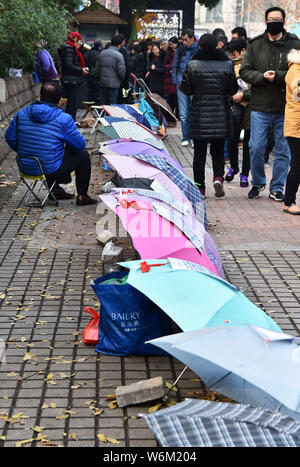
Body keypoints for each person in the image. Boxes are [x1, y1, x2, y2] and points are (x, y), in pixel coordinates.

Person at [240, 6, 300, 201]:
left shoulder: (294, 43)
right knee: (255, 147)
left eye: (278, 18)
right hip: (260, 104)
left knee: (283, 150)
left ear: (284, 21)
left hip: (286, 106)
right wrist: (262, 77)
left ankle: (277, 187)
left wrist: (279, 77)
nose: (274, 21)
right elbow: (244, 70)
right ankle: (257, 182)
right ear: (265, 22)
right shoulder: (255, 44)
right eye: (271, 19)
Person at [5, 82, 97, 206]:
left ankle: (55, 189)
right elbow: (79, 145)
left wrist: (24, 150)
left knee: (50, 153)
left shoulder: (21, 114)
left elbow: (10, 137)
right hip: (50, 169)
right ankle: (82, 196)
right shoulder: (64, 118)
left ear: (40, 96)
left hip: (26, 166)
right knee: (83, 155)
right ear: (59, 101)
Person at [181, 33, 238, 198]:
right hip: (221, 114)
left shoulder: (193, 65)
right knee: (218, 151)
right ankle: (218, 178)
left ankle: (200, 188)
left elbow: (186, 89)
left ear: (199, 47)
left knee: (199, 152)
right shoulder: (227, 65)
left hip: (199, 115)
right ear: (217, 47)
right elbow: (233, 90)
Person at [225, 38, 251, 187]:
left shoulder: (251, 66)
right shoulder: (228, 66)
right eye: (230, 53)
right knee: (232, 141)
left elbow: (258, 89)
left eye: (234, 53)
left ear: (243, 51)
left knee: (248, 144)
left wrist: (244, 95)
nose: (231, 55)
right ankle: (234, 167)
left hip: (250, 108)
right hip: (233, 107)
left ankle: (245, 174)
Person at [172, 29, 199, 146]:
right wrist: (175, 80)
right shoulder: (180, 50)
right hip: (181, 84)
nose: (183, 42)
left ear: (192, 39)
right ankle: (185, 137)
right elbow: (175, 66)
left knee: (194, 112)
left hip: (195, 85)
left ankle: (194, 138)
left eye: (186, 40)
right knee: (183, 114)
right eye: (182, 40)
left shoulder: (199, 50)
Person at [283, 49, 300, 214]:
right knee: (297, 164)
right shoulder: (295, 68)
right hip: (296, 125)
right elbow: (297, 94)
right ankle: (289, 202)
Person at [58, 31, 89, 121]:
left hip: (71, 80)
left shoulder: (72, 50)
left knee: (72, 103)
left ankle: (69, 122)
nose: (81, 42)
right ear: (75, 40)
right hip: (71, 80)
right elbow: (68, 65)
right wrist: (81, 70)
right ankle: (70, 123)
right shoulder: (69, 50)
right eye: (79, 40)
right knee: (72, 104)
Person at [95, 34, 126, 105]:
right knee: (112, 104)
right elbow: (121, 71)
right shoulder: (119, 55)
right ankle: (110, 116)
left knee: (103, 103)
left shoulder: (102, 53)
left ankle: (102, 115)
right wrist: (122, 80)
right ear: (120, 44)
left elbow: (97, 69)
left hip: (103, 82)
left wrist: (98, 79)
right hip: (114, 83)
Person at [163, 36, 179, 115]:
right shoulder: (168, 53)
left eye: (173, 44)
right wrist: (170, 68)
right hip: (169, 79)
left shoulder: (180, 52)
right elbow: (165, 65)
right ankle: (170, 114)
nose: (171, 46)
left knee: (177, 99)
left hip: (177, 77)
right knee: (170, 99)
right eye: (170, 44)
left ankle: (177, 115)